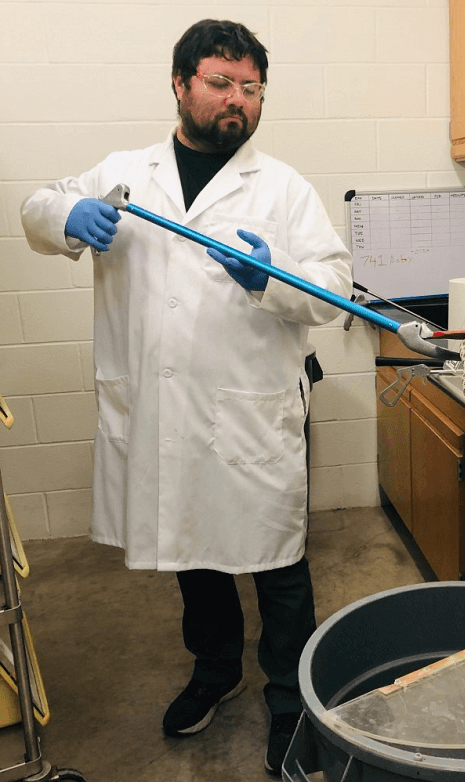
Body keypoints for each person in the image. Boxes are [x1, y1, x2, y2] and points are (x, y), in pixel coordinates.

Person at [21, 19, 352, 777]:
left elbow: (334, 290)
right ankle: (214, 670)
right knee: (194, 553)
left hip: (253, 413)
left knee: (279, 567)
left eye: (252, 88)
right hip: (167, 412)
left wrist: (273, 277)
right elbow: (37, 208)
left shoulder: (282, 187)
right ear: (180, 84)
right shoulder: (125, 171)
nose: (239, 99)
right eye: (221, 82)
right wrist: (66, 218)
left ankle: (290, 704)